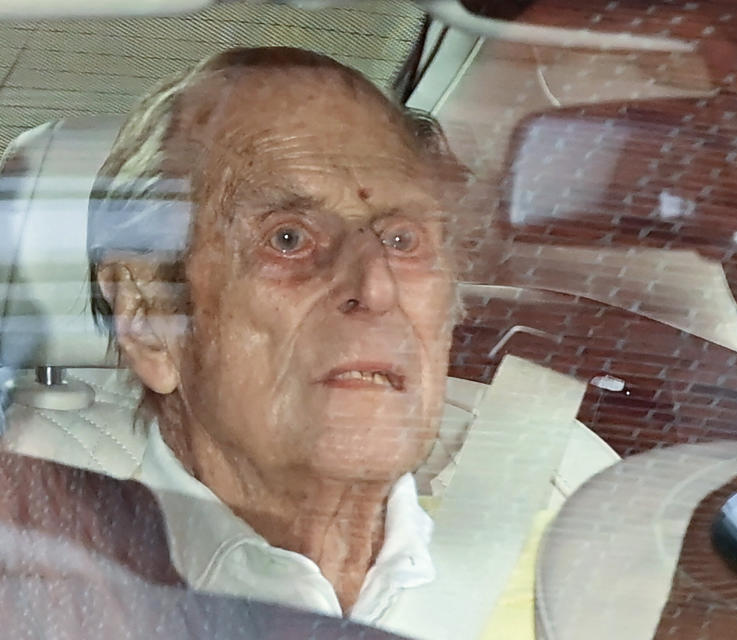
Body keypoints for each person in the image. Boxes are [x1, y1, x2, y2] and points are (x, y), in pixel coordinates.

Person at [88, 46, 467, 621]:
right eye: (288, 238)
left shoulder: (580, 541)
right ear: (149, 316)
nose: (377, 287)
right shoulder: (34, 593)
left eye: (402, 240)